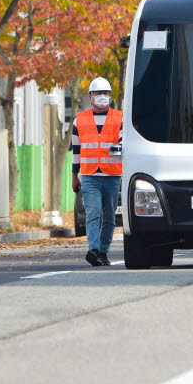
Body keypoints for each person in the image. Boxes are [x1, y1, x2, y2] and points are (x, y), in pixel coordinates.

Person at [72, 77, 123, 267]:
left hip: (112, 175)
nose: (102, 96)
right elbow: (76, 150)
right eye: (98, 93)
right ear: (90, 96)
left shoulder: (121, 118)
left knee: (110, 217)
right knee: (92, 213)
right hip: (89, 175)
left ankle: (103, 251)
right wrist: (74, 175)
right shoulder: (80, 119)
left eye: (106, 93)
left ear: (110, 96)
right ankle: (93, 249)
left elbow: (123, 146)